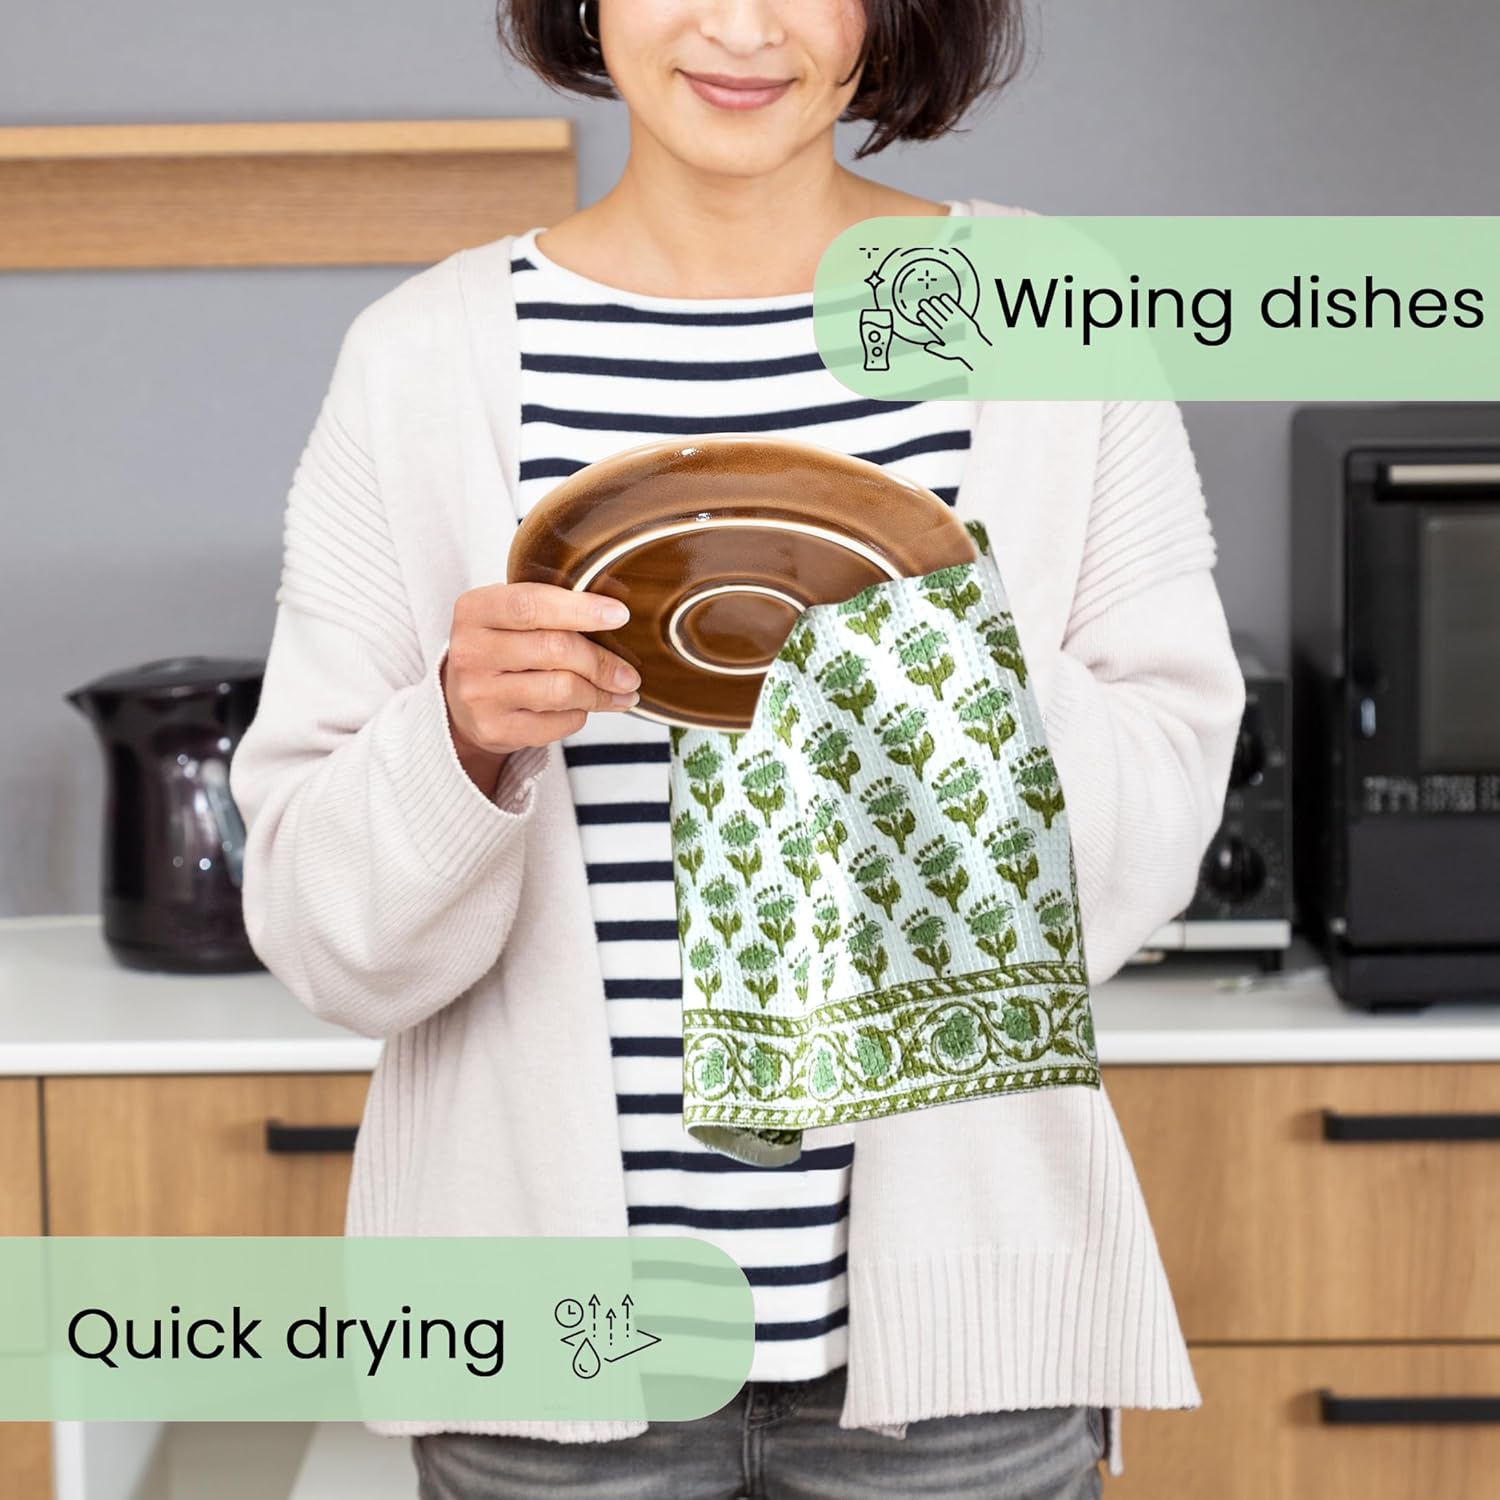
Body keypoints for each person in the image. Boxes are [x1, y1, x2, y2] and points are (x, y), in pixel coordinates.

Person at [229, 2, 1247, 1496]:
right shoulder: (421, 360)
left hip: (963, 1350)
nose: (742, 25)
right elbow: (327, 944)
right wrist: (458, 740)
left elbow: (1151, 848)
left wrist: (962, 651)